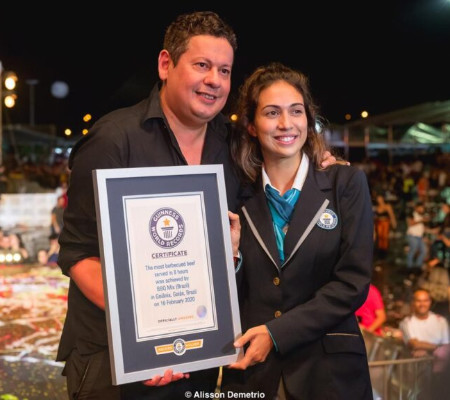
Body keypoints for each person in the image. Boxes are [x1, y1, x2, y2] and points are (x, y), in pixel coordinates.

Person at [55, 11, 341, 400]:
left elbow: (284, 161)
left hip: (198, 358)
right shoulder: (114, 140)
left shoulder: (234, 145)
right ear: (165, 65)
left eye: (224, 71)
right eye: (202, 65)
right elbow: (78, 254)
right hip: (115, 360)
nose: (214, 80)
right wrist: (150, 335)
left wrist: (320, 162)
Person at [221, 62, 374, 399]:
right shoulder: (236, 196)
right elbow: (231, 295)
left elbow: (353, 283)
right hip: (255, 374)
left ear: (308, 119)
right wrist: (231, 259)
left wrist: (276, 333)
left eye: (296, 111)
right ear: (251, 125)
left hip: (330, 374)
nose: (286, 123)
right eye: (271, 113)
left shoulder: (345, 183)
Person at [399, 289, 450, 400]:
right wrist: (438, 348)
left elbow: (447, 346)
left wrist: (426, 349)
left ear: (430, 302)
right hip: (417, 374)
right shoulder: (406, 322)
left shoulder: (440, 320)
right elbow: (414, 344)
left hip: (441, 374)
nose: (422, 304)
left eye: (425, 300)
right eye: (419, 301)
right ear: (413, 303)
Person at [373, 193, 397, 261]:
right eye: (378, 199)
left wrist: (394, 223)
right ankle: (380, 253)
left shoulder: (387, 206)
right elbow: (375, 217)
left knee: (385, 237)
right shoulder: (377, 207)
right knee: (380, 237)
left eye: (380, 198)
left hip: (385, 223)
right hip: (378, 223)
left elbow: (391, 215)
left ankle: (384, 253)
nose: (379, 200)